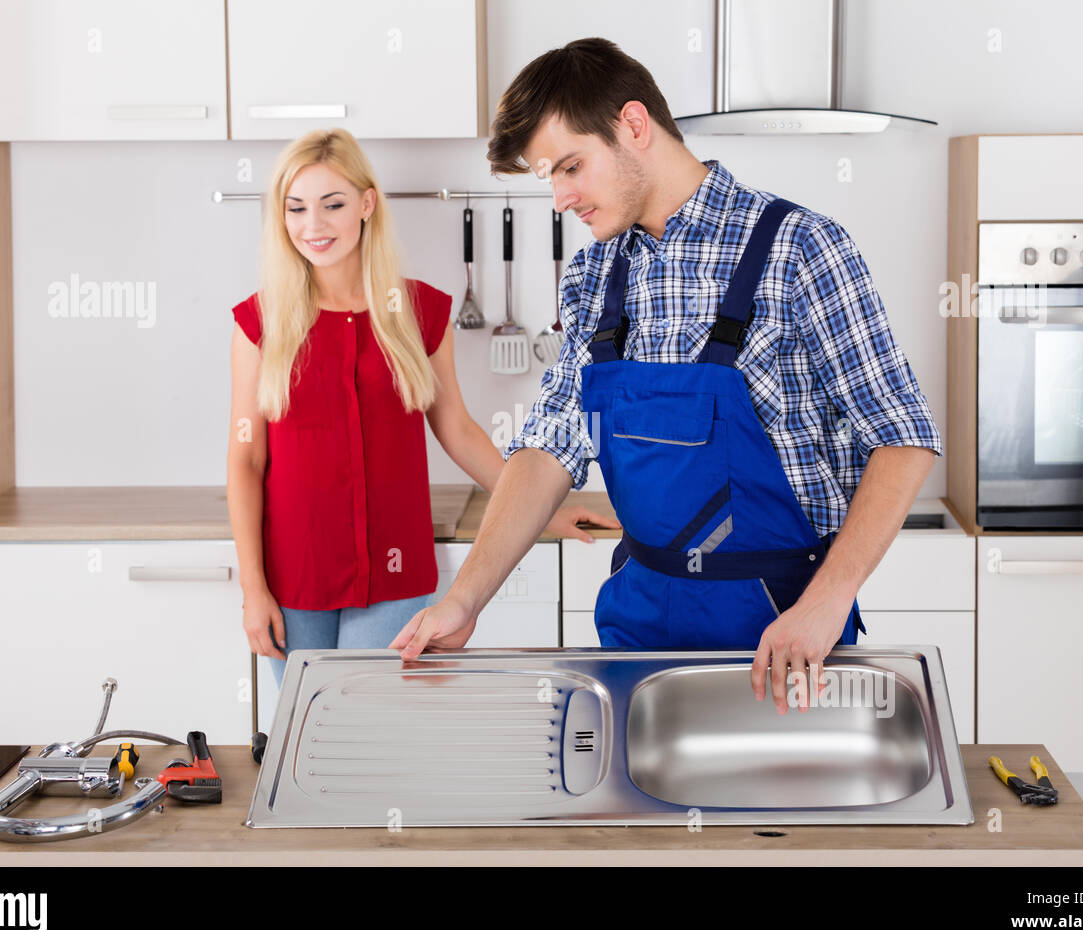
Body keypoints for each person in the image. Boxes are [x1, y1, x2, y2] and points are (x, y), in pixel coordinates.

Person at [390, 39, 942, 715]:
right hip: (637, 626)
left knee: (786, 822)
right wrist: (462, 599)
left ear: (633, 125)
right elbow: (550, 444)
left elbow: (903, 435)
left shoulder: (800, 248)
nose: (561, 198)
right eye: (549, 178)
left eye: (571, 166)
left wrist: (827, 604)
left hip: (782, 634)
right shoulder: (594, 275)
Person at [226, 128, 617, 687]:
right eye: (297, 208)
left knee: (367, 730)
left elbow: (456, 428)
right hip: (293, 571)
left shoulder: (419, 312)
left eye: (332, 204)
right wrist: (253, 588)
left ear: (366, 204)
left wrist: (538, 509)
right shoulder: (258, 323)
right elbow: (245, 460)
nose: (313, 225)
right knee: (306, 739)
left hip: (395, 571)